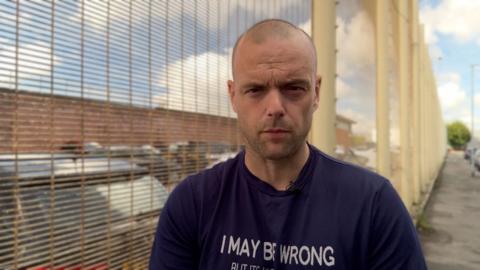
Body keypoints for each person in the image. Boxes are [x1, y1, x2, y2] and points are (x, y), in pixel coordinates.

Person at [149, 19, 427, 270]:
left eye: (293, 88)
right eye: (255, 90)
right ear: (233, 96)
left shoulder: (373, 205)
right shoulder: (193, 203)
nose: (275, 107)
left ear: (316, 93)